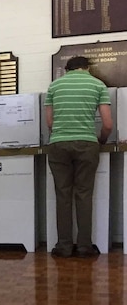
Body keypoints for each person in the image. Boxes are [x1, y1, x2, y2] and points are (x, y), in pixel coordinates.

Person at [45, 55, 112, 258]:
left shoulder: (54, 86)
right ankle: (84, 247)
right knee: (84, 195)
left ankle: (64, 246)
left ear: (67, 70)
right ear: (87, 68)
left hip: (58, 143)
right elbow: (108, 124)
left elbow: (50, 122)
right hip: (87, 144)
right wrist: (100, 139)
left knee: (63, 195)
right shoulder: (98, 85)